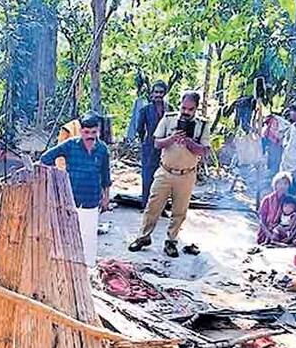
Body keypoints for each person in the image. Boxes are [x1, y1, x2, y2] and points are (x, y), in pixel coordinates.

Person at [128, 91, 210, 258]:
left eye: (190, 109)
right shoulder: (168, 119)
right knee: (152, 206)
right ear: (179, 104)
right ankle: (143, 237)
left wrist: (189, 142)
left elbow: (204, 151)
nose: (186, 112)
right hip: (165, 171)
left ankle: (171, 242)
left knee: (179, 211)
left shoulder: (202, 125)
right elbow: (157, 143)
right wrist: (172, 138)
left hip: (186, 175)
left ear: (196, 109)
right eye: (183, 107)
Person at [39, 112, 111, 265]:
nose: (90, 136)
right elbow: (45, 158)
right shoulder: (70, 145)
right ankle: (65, 265)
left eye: (93, 132)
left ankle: (88, 268)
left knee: (88, 238)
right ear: (81, 131)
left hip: (91, 199)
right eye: (86, 132)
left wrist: (106, 198)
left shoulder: (102, 149)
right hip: (70, 198)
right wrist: (58, 179)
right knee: (66, 235)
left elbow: (105, 176)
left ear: (97, 131)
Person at [257, 172, 296, 254]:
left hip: (288, 230)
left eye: (285, 183)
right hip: (270, 230)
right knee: (274, 237)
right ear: (275, 184)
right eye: (279, 183)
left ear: (289, 185)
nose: (282, 186)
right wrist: (269, 234)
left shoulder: (291, 200)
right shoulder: (267, 200)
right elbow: (261, 220)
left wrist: (290, 236)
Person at [135, 81, 169, 208]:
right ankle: (146, 206)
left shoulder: (169, 109)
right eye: (156, 92)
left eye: (161, 92)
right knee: (148, 176)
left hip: (166, 147)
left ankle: (162, 207)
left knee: (164, 178)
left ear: (164, 93)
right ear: (152, 93)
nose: (158, 95)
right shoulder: (145, 110)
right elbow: (139, 128)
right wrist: (145, 140)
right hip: (149, 146)